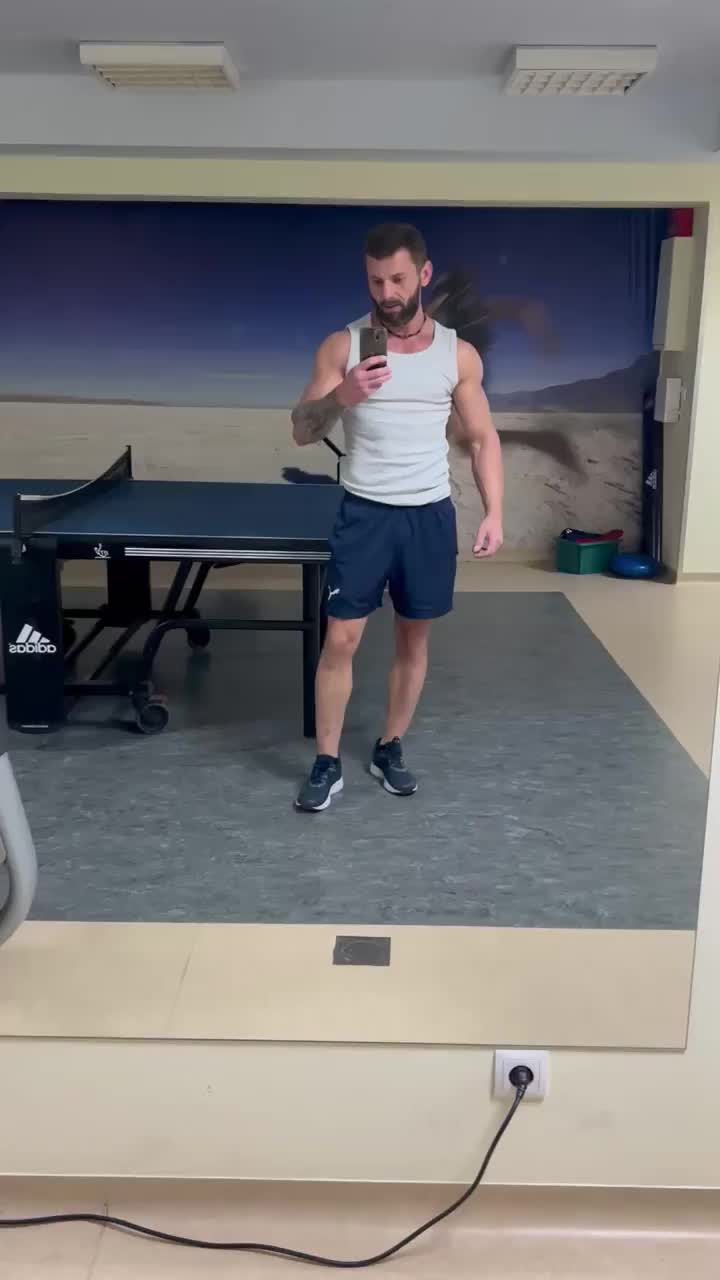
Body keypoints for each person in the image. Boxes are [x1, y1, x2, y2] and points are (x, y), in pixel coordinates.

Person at [291, 222, 503, 812]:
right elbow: (301, 431)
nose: (387, 292)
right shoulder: (345, 345)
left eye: (398, 279)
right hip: (365, 513)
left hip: (428, 516)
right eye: (376, 280)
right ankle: (327, 761)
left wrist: (495, 511)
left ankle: (389, 746)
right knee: (341, 638)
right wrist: (343, 396)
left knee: (414, 637)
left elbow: (482, 438)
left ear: (424, 275)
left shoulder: (457, 354)